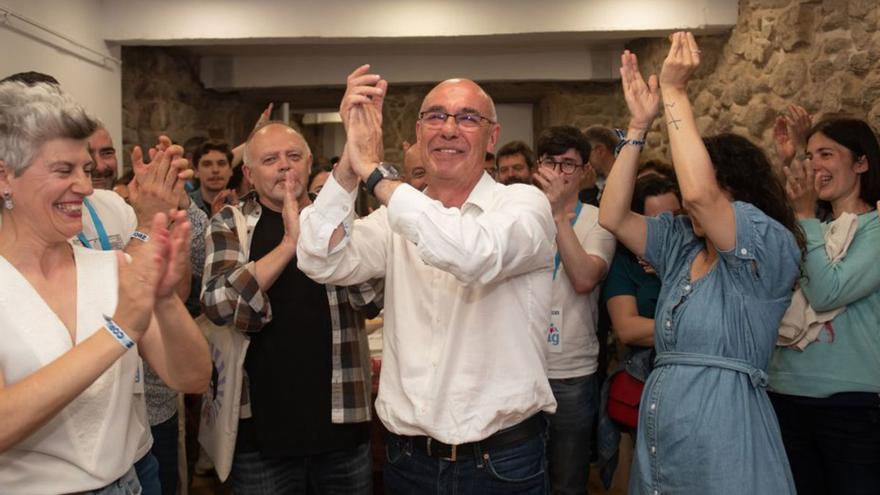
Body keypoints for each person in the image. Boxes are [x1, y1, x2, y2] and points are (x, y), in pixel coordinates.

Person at [298, 65, 557, 494]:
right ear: (419, 133)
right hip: (409, 461)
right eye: (435, 117)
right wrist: (350, 163)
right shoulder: (393, 220)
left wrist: (377, 177)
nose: (449, 129)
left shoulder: (524, 206)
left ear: (492, 137)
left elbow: (471, 253)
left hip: (502, 465)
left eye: (468, 118)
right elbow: (318, 257)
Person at [598, 33, 804, 494]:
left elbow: (698, 194)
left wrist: (675, 93)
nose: (689, 205)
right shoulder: (683, 246)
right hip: (665, 434)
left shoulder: (766, 245)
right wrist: (637, 126)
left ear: (734, 188)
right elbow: (611, 216)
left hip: (724, 431)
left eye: (706, 187)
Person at [0, 82, 210, 494]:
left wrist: (164, 299)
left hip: (134, 481)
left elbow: (193, 377)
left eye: (86, 170)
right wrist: (118, 332)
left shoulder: (112, 269)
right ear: (5, 177)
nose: (84, 186)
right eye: (64, 170)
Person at [201, 121, 379, 495]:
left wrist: (337, 234)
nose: (284, 166)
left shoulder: (341, 222)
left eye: (293, 156)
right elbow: (217, 303)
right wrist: (288, 244)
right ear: (249, 173)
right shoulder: (232, 225)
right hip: (261, 433)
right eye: (270, 159)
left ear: (309, 162)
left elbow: (370, 301)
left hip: (342, 426)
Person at [769, 117, 880, 495]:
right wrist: (790, 159)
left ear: (861, 163)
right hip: (784, 392)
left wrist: (803, 215)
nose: (815, 165)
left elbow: (827, 292)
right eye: (810, 155)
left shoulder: (876, 228)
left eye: (827, 155)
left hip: (849, 402)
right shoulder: (810, 226)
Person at [531, 125, 615, 495]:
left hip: (571, 373)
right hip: (522, 367)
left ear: (584, 172)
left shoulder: (599, 220)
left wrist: (559, 215)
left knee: (567, 481)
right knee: (522, 477)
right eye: (551, 162)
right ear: (539, 167)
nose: (560, 172)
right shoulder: (521, 215)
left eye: (569, 164)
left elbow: (584, 278)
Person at [189, 139, 235, 217]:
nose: (215, 170)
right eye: (207, 164)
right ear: (196, 171)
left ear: (230, 170)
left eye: (221, 164)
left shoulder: (242, 208)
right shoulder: (185, 206)